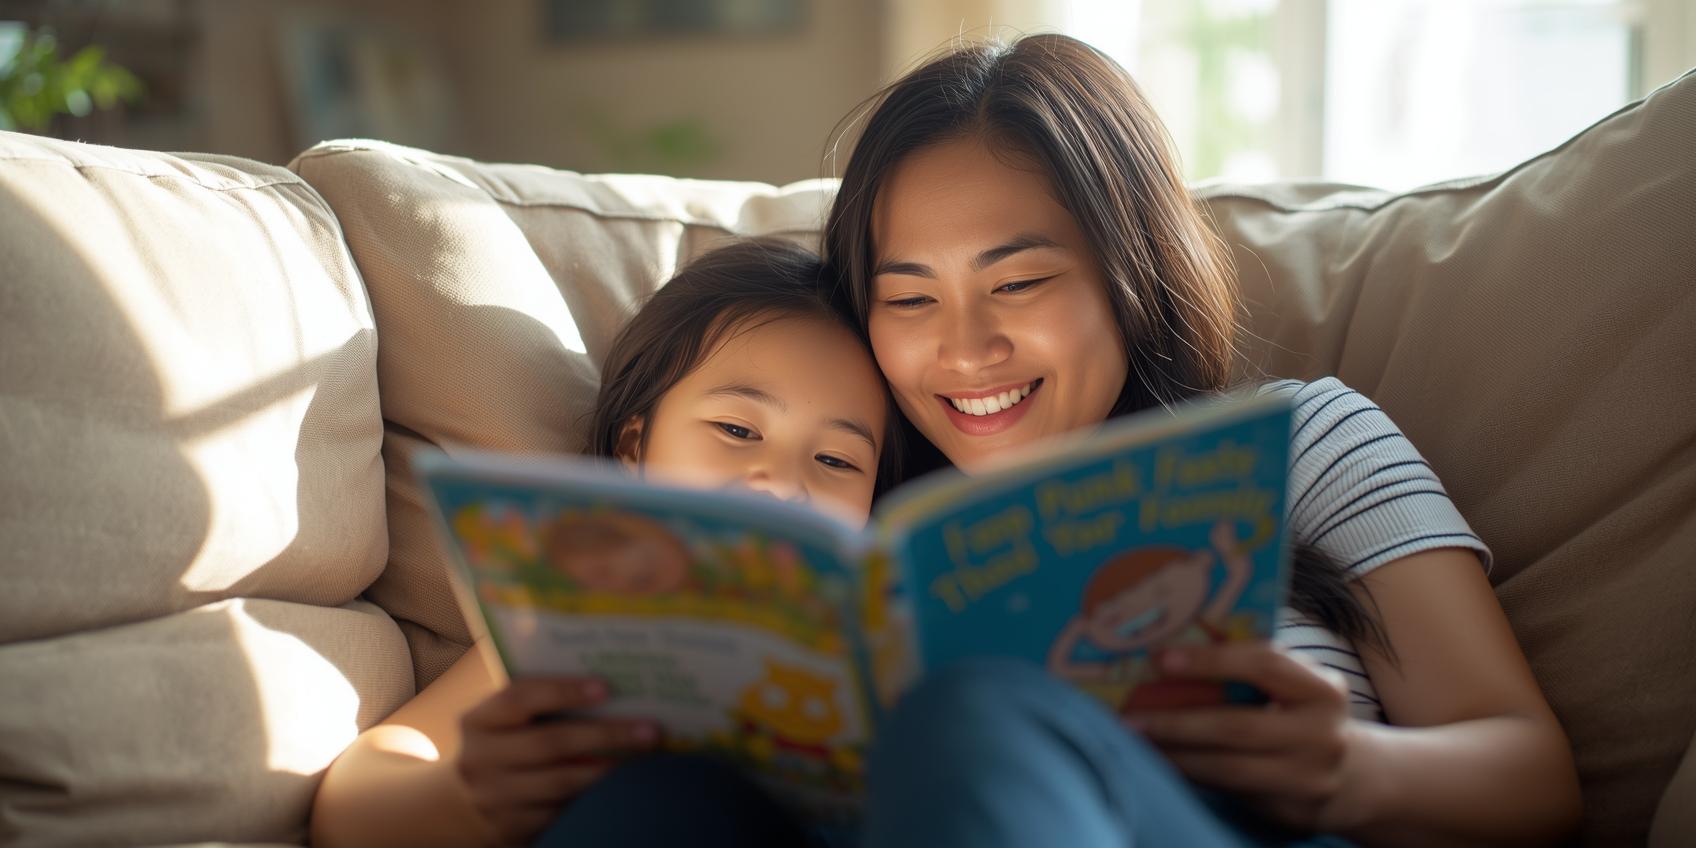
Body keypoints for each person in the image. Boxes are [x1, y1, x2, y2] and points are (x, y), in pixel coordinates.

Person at [813, 33, 1582, 847]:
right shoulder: (855, 529)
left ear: (1131, 269)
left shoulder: (1302, 445)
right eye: (909, 300)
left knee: (974, 706)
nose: (967, 351)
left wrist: (1348, 771)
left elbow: (1537, 784)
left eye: (1018, 283)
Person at [308, 238, 897, 848]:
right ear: (635, 448)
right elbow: (352, 800)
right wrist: (466, 798)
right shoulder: (578, 623)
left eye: (836, 460)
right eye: (737, 429)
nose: (782, 485)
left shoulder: (887, 642)